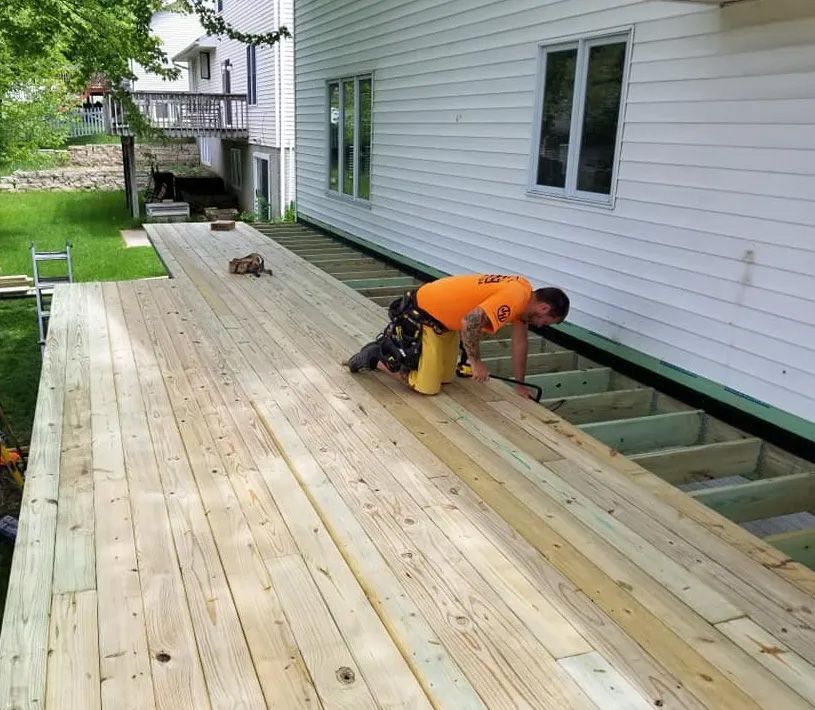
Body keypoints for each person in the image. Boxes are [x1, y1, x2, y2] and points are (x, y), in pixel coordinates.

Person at [346, 274, 569, 397]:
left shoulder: (523, 299)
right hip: (424, 314)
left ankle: (413, 361)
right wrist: (476, 361)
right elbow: (470, 321)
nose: (541, 326)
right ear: (544, 309)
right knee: (427, 388)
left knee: (446, 379)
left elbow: (520, 343)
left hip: (447, 322)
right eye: (545, 322)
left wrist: (520, 384)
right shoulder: (514, 297)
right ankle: (378, 357)